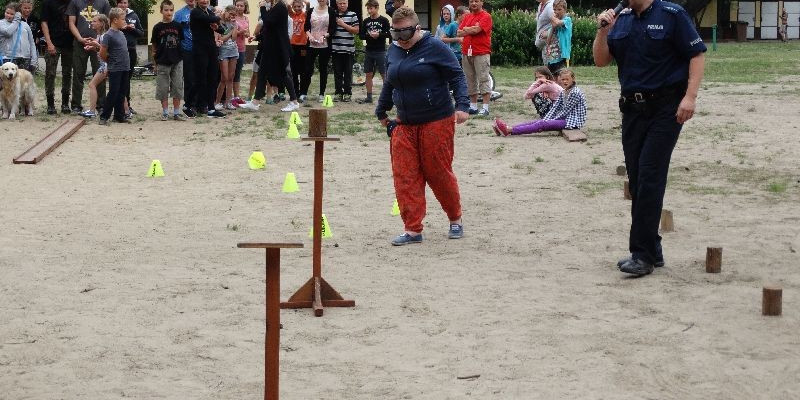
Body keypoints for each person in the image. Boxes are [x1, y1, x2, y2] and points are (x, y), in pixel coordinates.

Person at [594, 0, 706, 276]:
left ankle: (641, 255)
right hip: (632, 110)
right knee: (637, 178)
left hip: (665, 109)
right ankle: (653, 250)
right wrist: (602, 31)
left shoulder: (672, 15)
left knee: (649, 175)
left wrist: (690, 97)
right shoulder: (621, 19)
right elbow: (600, 60)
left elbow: (696, 55)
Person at [375, 7, 470, 246]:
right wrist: (382, 109)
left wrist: (463, 106)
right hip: (404, 123)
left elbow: (457, 76)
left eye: (404, 34)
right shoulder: (394, 51)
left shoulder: (435, 47)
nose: (400, 39)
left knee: (438, 173)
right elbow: (390, 81)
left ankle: (455, 219)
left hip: (436, 120)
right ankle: (412, 229)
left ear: (417, 29)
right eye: (395, 34)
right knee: (405, 176)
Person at [241, 0, 300, 112]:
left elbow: (267, 22)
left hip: (278, 48)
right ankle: (255, 101)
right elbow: (270, 29)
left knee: (283, 73)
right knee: (262, 72)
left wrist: (262, 8)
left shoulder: (280, 6)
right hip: (269, 47)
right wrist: (257, 37)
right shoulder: (274, 7)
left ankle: (294, 101)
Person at [493, 68, 585, 136]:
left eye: (567, 79)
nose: (564, 81)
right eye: (563, 79)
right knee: (538, 122)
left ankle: (509, 130)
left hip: (572, 122)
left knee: (542, 124)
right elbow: (556, 107)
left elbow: (565, 111)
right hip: (564, 118)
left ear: (573, 79)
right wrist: (547, 119)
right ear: (559, 79)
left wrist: (549, 120)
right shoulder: (564, 91)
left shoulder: (574, 92)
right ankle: (508, 128)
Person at [67, 0, 110, 114]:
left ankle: (101, 105)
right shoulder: (75, 2)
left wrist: (98, 39)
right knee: (78, 73)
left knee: (100, 72)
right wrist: (80, 38)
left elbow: (107, 22)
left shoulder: (104, 2)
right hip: (79, 42)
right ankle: (76, 105)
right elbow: (71, 22)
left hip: (98, 42)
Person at [190, 0, 225, 118]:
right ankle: (189, 104)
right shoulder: (195, 12)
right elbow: (210, 19)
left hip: (211, 49)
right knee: (201, 79)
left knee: (213, 78)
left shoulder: (209, 12)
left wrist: (216, 26)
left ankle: (211, 108)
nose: (204, 0)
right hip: (200, 49)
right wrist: (217, 18)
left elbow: (222, 30)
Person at [151, 0, 185, 121]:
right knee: (163, 87)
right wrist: (155, 62)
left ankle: (176, 112)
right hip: (162, 61)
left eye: (171, 10)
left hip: (177, 60)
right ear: (161, 11)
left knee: (177, 87)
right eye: (166, 10)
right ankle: (165, 112)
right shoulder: (157, 27)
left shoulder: (178, 26)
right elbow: (154, 45)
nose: (168, 12)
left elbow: (180, 40)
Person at [457, 0, 492, 116]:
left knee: (483, 79)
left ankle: (485, 108)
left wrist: (467, 29)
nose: (473, 3)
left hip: (481, 52)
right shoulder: (467, 16)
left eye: (476, 1)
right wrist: (472, 29)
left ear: (482, 2)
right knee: (469, 79)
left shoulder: (486, 16)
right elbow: (459, 33)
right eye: (471, 1)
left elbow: (477, 30)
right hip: (466, 52)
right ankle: (473, 106)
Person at [98, 7, 130, 125]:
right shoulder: (108, 35)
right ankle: (104, 116)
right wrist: (110, 62)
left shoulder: (121, 33)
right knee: (113, 92)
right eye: (123, 19)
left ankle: (119, 116)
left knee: (122, 92)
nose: (125, 21)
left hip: (125, 68)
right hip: (115, 68)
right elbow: (102, 53)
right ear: (115, 20)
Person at [41, 0, 73, 114]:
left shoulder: (73, 2)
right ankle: (50, 104)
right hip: (53, 42)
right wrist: (49, 43)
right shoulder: (47, 2)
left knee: (67, 74)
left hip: (70, 44)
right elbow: (44, 23)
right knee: (50, 74)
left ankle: (65, 103)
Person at [299, 0, 334, 102]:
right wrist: (309, 36)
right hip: (311, 45)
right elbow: (306, 27)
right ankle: (303, 93)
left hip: (325, 45)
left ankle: (321, 94)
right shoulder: (311, 11)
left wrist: (325, 36)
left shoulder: (331, 11)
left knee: (323, 69)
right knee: (307, 70)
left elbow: (333, 29)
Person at [357, 0, 389, 104]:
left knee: (384, 74)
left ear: (376, 8)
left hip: (381, 51)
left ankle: (386, 97)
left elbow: (389, 34)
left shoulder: (384, 20)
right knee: (368, 74)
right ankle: (369, 97)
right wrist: (369, 35)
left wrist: (379, 35)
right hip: (369, 51)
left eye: (371, 8)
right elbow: (361, 35)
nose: (369, 10)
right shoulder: (366, 21)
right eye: (368, 8)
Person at [78, 14, 109, 118]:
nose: (92, 23)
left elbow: (106, 52)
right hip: (105, 65)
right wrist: (92, 47)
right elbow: (100, 50)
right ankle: (126, 111)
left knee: (92, 84)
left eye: (95, 21)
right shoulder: (100, 36)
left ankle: (92, 111)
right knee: (117, 88)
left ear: (101, 24)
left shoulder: (104, 36)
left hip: (105, 65)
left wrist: (96, 45)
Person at [115, 0, 143, 117]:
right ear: (117, 4)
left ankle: (127, 105)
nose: (123, 5)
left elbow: (141, 33)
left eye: (125, 2)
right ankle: (118, 105)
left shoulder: (134, 15)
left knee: (127, 79)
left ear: (128, 4)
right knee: (118, 80)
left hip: (131, 50)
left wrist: (132, 29)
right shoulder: (113, 15)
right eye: (120, 2)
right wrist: (122, 27)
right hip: (117, 52)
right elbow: (108, 30)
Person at [331, 0, 358, 102]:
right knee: (337, 73)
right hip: (336, 49)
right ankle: (338, 93)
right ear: (337, 4)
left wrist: (343, 25)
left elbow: (356, 30)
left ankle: (347, 93)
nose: (342, 5)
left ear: (347, 3)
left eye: (344, 3)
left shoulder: (353, 15)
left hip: (348, 49)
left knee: (348, 73)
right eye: (340, 3)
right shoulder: (333, 14)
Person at [214, 5, 239, 110]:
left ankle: (228, 102)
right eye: (230, 14)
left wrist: (234, 26)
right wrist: (230, 31)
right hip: (223, 51)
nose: (232, 16)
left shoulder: (233, 23)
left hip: (233, 50)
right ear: (226, 12)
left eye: (234, 15)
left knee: (231, 77)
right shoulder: (219, 22)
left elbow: (233, 38)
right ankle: (217, 102)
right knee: (224, 78)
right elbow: (221, 39)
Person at [0, 3, 38, 71]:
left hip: (25, 59)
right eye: (7, 13)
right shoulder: (1, 23)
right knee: (8, 81)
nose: (8, 15)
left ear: (17, 14)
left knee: (25, 81)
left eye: (12, 14)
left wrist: (33, 61)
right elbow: (8, 32)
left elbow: (32, 43)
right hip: (8, 58)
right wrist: (17, 20)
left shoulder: (25, 25)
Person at [174, 0, 196, 117]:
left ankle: (200, 103)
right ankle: (189, 104)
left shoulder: (204, 11)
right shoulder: (179, 13)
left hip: (201, 48)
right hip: (187, 48)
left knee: (201, 77)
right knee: (189, 78)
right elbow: (175, 31)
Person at [544, 0, 571, 74]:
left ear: (565, 10)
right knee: (552, 79)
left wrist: (552, 17)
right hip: (552, 57)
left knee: (562, 77)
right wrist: (552, 27)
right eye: (554, 9)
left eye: (559, 9)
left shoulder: (567, 20)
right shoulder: (554, 23)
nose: (556, 11)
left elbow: (558, 23)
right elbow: (548, 41)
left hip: (562, 57)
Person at [232, 0, 250, 105]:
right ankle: (228, 97)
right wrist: (240, 32)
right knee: (230, 74)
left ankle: (237, 96)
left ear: (245, 7)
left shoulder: (246, 19)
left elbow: (248, 33)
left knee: (238, 73)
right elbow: (230, 33)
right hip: (232, 48)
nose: (239, 7)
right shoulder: (233, 18)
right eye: (237, 5)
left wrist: (247, 34)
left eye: (241, 6)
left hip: (242, 48)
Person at [288, 0, 307, 102]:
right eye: (295, 6)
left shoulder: (305, 15)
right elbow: (287, 5)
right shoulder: (292, 15)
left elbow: (308, 4)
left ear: (302, 6)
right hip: (292, 45)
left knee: (303, 70)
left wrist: (303, 2)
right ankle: (296, 92)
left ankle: (303, 93)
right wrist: (292, 2)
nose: (297, 8)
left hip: (303, 46)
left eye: (299, 6)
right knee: (293, 71)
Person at [535, 0, 553, 64]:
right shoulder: (541, 5)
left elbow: (559, 23)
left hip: (552, 44)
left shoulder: (550, 6)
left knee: (553, 69)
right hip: (545, 44)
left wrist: (548, 33)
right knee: (548, 68)